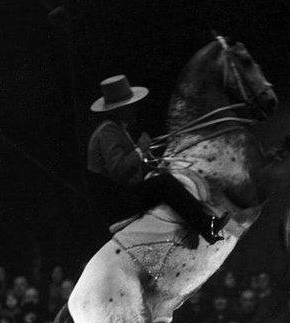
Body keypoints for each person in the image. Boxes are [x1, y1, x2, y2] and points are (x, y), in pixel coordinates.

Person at [87, 75, 228, 244]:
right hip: (117, 202)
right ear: (119, 109)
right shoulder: (108, 131)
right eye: (130, 106)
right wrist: (140, 149)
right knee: (165, 183)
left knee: (165, 177)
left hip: (121, 195)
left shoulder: (116, 129)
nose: (134, 109)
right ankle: (206, 227)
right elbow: (119, 170)